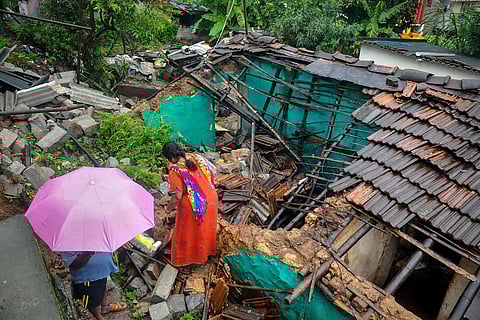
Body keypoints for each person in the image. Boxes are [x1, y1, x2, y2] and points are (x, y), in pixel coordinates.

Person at [162, 142, 217, 266]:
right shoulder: (195, 157)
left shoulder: (175, 170)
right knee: (206, 228)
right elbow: (213, 171)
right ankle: (207, 254)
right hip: (211, 197)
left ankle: (191, 260)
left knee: (189, 232)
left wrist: (168, 209)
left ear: (170, 158)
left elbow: (177, 196)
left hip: (195, 204)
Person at [61, 251, 127, 320]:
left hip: (102, 271)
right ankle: (98, 317)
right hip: (87, 279)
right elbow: (73, 265)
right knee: (92, 302)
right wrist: (87, 254)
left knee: (103, 288)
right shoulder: (69, 245)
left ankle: (105, 307)